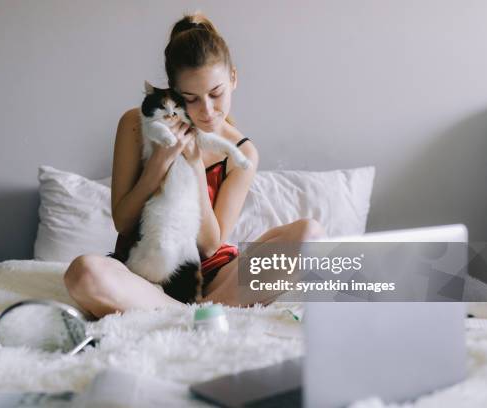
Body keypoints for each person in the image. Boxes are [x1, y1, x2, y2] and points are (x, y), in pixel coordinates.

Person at [64, 12, 326, 319]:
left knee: (311, 236)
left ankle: (196, 308)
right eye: (191, 98)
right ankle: (195, 313)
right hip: (144, 272)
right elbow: (123, 223)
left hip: (214, 275)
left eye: (216, 94)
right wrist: (158, 165)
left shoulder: (242, 152)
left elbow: (210, 245)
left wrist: (196, 167)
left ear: (233, 79)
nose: (207, 110)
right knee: (83, 274)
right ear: (174, 94)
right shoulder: (135, 125)